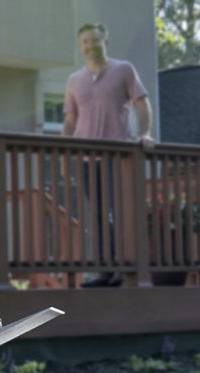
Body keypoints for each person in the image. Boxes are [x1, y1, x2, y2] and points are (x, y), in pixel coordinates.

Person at [63, 22, 154, 287]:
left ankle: (121, 270)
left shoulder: (123, 70)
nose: (90, 46)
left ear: (105, 40)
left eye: (94, 40)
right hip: (86, 159)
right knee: (98, 216)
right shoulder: (74, 80)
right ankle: (104, 271)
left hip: (117, 157)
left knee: (117, 213)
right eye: (85, 42)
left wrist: (145, 133)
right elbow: (69, 122)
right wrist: (61, 152)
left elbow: (141, 103)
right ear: (81, 47)